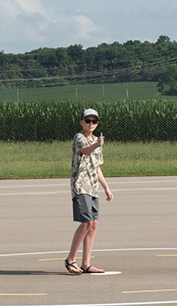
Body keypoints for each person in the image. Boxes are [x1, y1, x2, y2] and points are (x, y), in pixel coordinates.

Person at [65, 108, 113, 274]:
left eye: (94, 121)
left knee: (93, 224)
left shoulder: (96, 141)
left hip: (93, 187)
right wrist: (96, 144)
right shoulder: (79, 138)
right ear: (81, 122)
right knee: (85, 223)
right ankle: (70, 260)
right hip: (80, 185)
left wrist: (106, 187)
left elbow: (97, 166)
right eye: (88, 121)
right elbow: (84, 151)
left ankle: (86, 263)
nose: (91, 124)